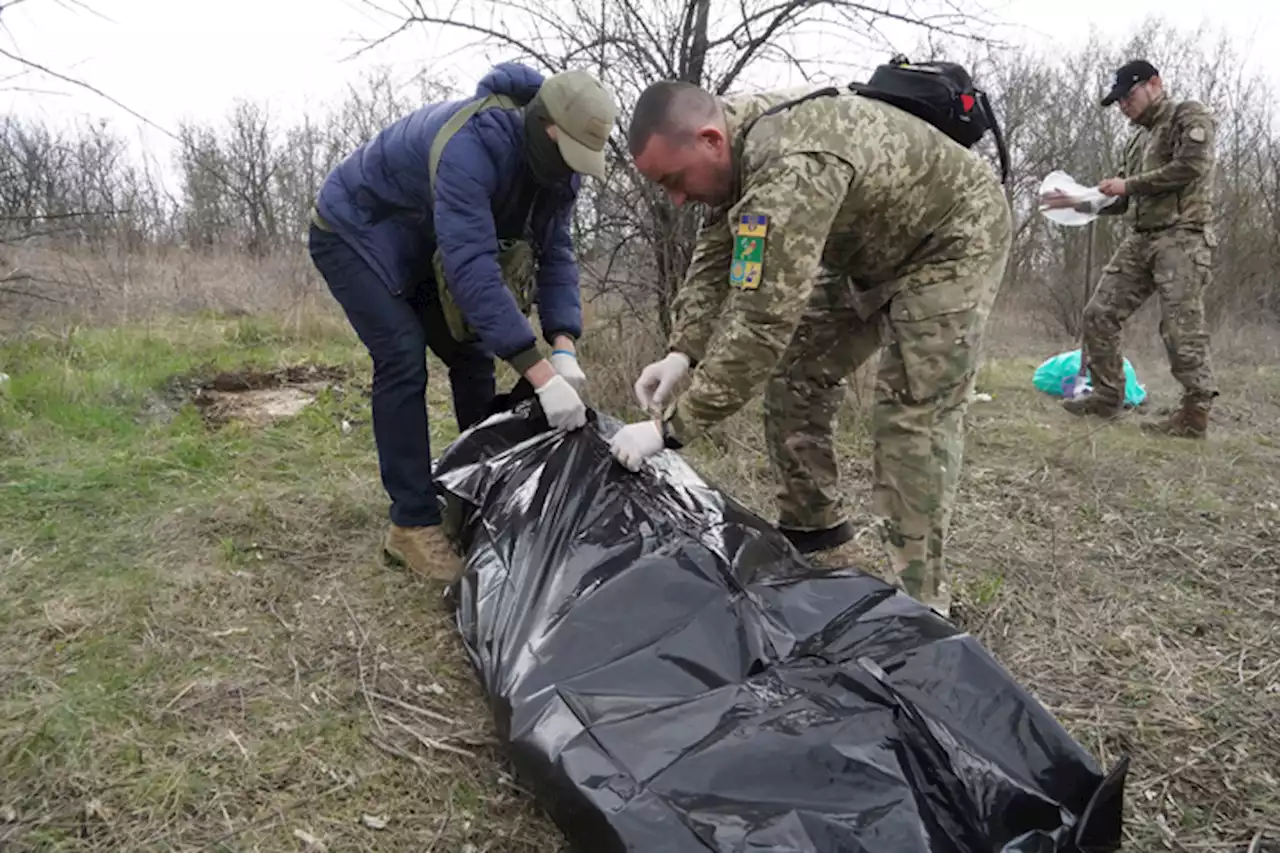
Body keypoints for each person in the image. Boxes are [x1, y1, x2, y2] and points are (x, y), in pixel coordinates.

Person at [607, 79, 1012, 618]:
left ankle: (920, 605)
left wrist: (668, 429)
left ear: (709, 140)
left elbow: (762, 324)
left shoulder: (791, 166)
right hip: (871, 254)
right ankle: (812, 526)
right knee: (799, 368)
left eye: (675, 181)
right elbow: (715, 255)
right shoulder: (735, 149)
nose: (676, 198)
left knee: (912, 416)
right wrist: (681, 353)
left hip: (952, 243)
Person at [308, 62, 617, 583]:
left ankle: (480, 490)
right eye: (570, 156)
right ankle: (411, 523)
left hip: (425, 244)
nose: (574, 170)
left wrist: (563, 345)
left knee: (470, 353)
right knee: (402, 355)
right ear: (548, 130)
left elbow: (557, 251)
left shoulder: (559, 173)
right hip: (356, 232)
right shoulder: (472, 146)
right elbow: (471, 265)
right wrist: (539, 376)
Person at [1042, 59, 1218, 437]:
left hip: (1183, 235)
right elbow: (1122, 200)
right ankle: (1108, 397)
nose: (1123, 106)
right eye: (1118, 100)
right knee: (1098, 314)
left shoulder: (1188, 115)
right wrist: (1079, 202)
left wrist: (1129, 184)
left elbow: (1191, 166)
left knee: (1180, 328)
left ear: (1154, 83)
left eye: (1128, 95)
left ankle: (1193, 414)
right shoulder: (1137, 138)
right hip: (1141, 237)